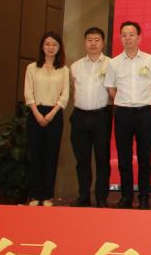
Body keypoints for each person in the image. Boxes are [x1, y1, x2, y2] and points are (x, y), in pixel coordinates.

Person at [104, 20, 151, 209]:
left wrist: (144, 100)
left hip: (144, 113)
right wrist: (124, 102)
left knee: (145, 157)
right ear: (120, 38)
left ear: (139, 37)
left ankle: (144, 196)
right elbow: (111, 89)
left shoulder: (150, 60)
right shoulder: (114, 63)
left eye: (131, 35)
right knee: (124, 157)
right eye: (124, 35)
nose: (127, 38)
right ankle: (126, 196)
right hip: (122, 113)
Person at [24, 31, 70, 206]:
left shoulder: (64, 69)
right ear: (42, 47)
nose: (51, 48)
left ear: (59, 48)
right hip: (35, 112)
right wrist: (37, 114)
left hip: (55, 114)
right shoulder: (32, 68)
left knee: (51, 155)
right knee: (36, 155)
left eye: (54, 44)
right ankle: (35, 195)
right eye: (47, 44)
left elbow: (65, 95)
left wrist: (51, 114)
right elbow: (28, 93)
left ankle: (48, 195)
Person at [69, 27, 112, 208]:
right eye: (89, 40)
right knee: (82, 160)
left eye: (97, 40)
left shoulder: (111, 64)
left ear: (103, 43)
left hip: (101, 115)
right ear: (84, 42)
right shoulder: (75, 66)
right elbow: (73, 90)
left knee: (102, 159)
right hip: (80, 116)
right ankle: (83, 195)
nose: (93, 43)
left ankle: (101, 197)